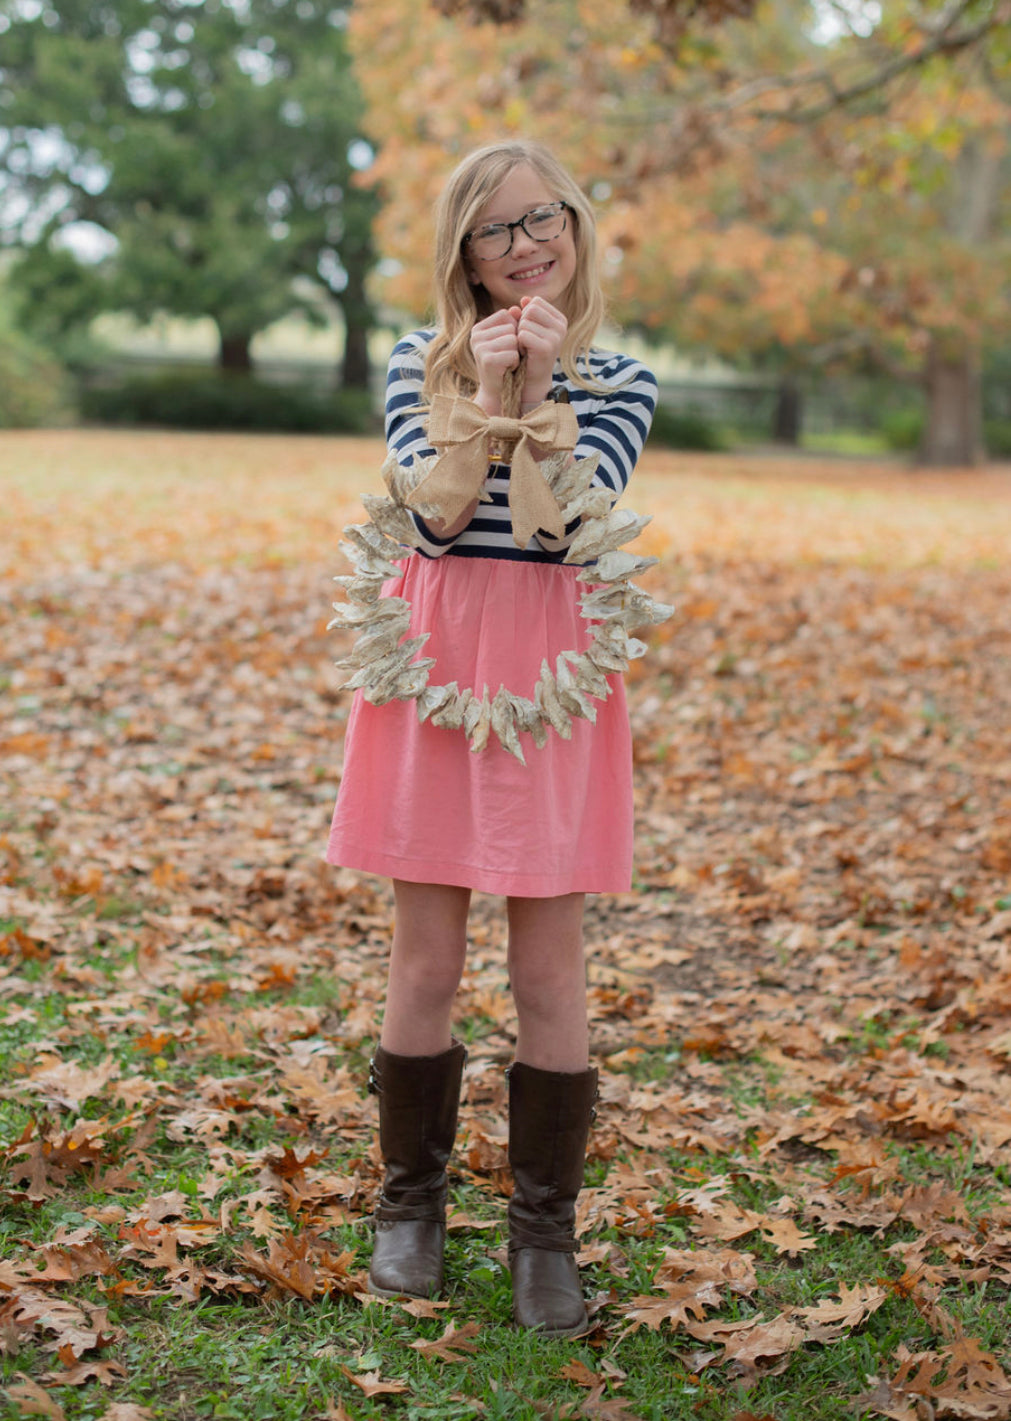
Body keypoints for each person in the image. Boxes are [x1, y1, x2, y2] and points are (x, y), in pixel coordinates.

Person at [326, 139, 657, 1335]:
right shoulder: (419, 364)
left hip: (550, 680)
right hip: (436, 671)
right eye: (498, 229)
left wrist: (543, 396)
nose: (528, 245)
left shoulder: (621, 382)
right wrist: (485, 394)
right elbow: (443, 511)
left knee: (548, 970)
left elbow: (559, 532)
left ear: (575, 225)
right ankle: (409, 1210)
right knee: (424, 960)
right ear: (462, 253)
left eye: (544, 219)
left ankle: (542, 1238)